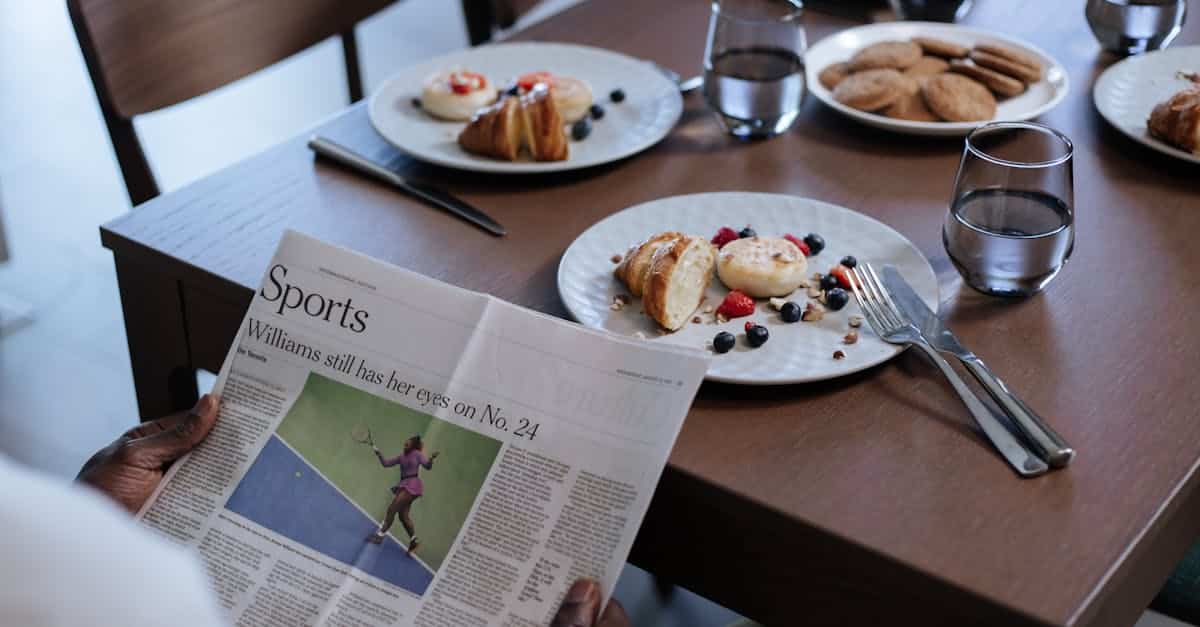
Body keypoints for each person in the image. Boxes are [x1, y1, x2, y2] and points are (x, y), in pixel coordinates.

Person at [0, 394, 630, 626]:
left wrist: (88, 517)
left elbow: (417, 471)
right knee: (395, 517)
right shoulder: (132, 589)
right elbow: (394, 467)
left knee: (402, 515)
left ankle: (400, 535)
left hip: (410, 494)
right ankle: (398, 536)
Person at [367, 434, 439, 553]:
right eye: (405, 442)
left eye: (408, 442)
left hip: (412, 486)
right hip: (403, 486)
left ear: (413, 446)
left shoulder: (417, 454)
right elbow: (386, 464)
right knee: (403, 516)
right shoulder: (401, 457)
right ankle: (414, 540)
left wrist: (431, 459)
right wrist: (378, 453)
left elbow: (427, 466)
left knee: (392, 508)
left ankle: (380, 535)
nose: (405, 443)